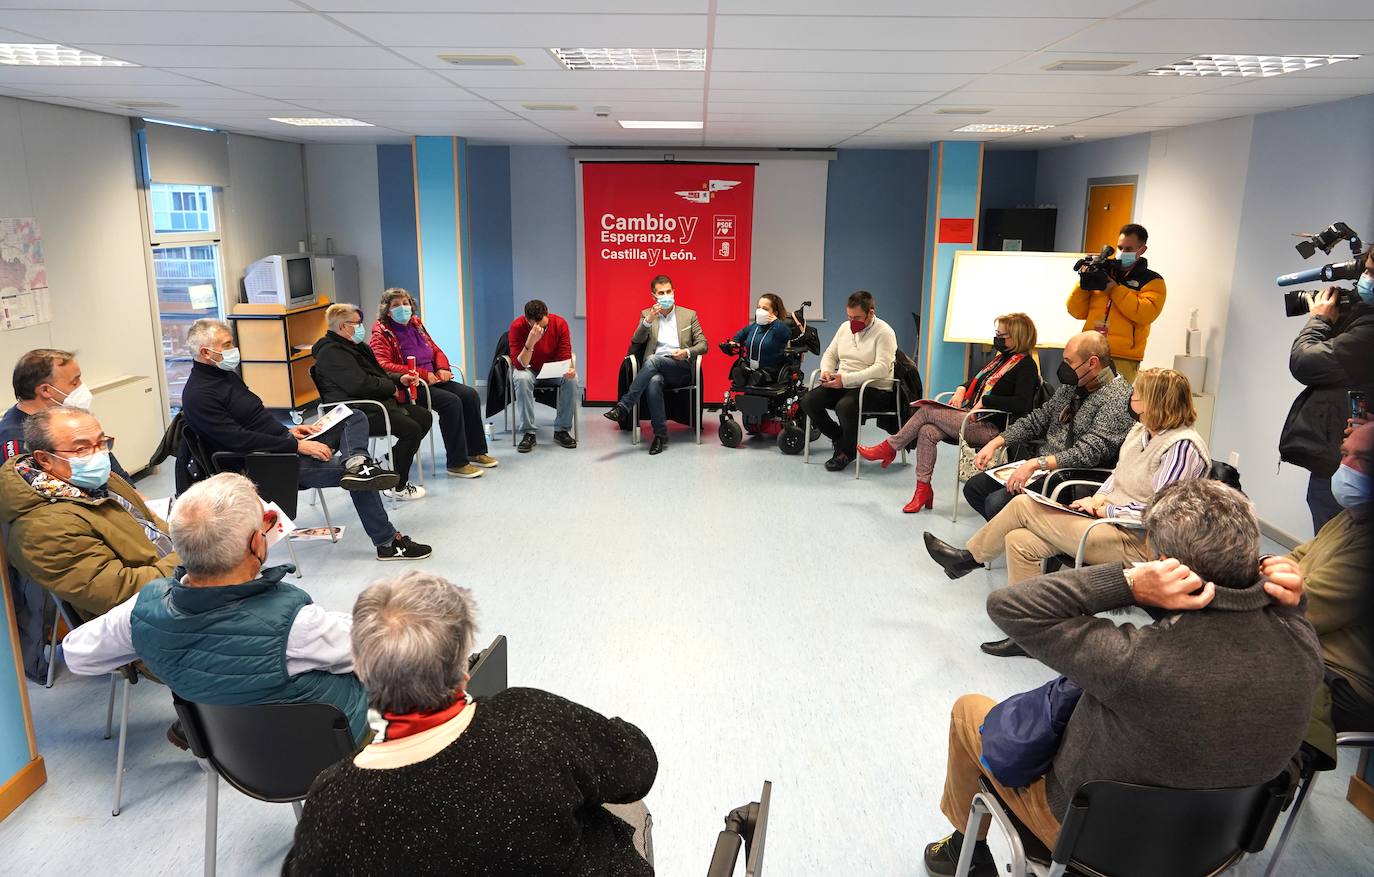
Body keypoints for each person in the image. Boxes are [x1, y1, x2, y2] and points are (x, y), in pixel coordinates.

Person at [921, 479, 1321, 876]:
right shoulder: (1303, 646)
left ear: (1162, 564)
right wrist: (1290, 599)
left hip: (1092, 841)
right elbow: (1287, 618)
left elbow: (1009, 606)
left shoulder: (1136, 661)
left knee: (967, 711)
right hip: (1215, 849)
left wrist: (1128, 582)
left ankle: (963, 852)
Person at [284, 571, 658, 876]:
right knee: (628, 809)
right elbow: (638, 768)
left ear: (363, 671)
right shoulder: (531, 719)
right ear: (462, 666)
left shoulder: (331, 796)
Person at [59, 473, 371, 745]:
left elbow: (77, 654)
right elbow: (383, 650)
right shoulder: (299, 625)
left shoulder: (141, 611)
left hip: (229, 755)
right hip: (323, 750)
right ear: (258, 544)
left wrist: (155, 643)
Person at [926, 368, 1209, 657]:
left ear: (1155, 401)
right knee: (1020, 542)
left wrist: (1107, 507)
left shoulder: (1181, 447)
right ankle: (1029, 636)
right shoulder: (1141, 430)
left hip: (1139, 543)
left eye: (1137, 393)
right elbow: (1117, 476)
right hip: (1107, 523)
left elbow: (1162, 513)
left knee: (1024, 505)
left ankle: (967, 558)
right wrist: (1098, 499)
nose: (1131, 396)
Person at [181, 319, 431, 562]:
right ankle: (387, 542)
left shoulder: (225, 376)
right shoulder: (199, 394)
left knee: (352, 415)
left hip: (280, 443)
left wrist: (289, 430)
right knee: (361, 478)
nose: (233, 349)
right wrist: (295, 445)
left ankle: (357, 460)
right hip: (265, 464)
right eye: (226, 345)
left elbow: (254, 418)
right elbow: (237, 440)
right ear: (206, 352)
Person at [0, 408, 179, 620]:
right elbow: (122, 593)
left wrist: (193, 543)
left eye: (102, 443)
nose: (99, 455)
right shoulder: (43, 529)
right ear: (44, 459)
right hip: (149, 616)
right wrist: (196, 559)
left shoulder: (100, 481)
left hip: (177, 578)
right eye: (82, 449)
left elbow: (154, 524)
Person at [859, 313, 1040, 513]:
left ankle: (890, 447)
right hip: (972, 418)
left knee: (927, 410)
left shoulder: (1026, 366)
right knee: (927, 430)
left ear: (1018, 337)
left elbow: (1022, 404)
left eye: (1001, 335)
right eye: (996, 333)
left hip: (993, 429)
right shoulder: (1000, 361)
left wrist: (986, 401)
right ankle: (923, 489)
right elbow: (975, 383)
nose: (996, 338)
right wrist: (962, 388)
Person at [961, 331, 1132, 522]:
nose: (1063, 368)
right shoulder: (1074, 384)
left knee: (996, 502)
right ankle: (1018, 537)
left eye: (1069, 362)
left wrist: (1036, 464)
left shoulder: (1118, 398)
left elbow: (1088, 453)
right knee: (974, 488)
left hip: (1069, 476)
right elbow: (1038, 419)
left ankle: (1025, 542)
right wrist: (996, 442)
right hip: (1043, 469)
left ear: (1092, 363)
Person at [1280, 244, 1374, 533]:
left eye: (1371, 273)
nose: (1365, 279)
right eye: (1366, 270)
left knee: (1335, 546)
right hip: (1342, 454)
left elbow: (1304, 363)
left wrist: (1319, 320)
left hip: (1353, 463)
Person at [1287, 421, 1374, 732]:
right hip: (1309, 648)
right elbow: (1296, 558)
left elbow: (1305, 607)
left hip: (1344, 679)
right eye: (1344, 455)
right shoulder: (1349, 518)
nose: (1346, 467)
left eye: (1364, 460)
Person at [370, 288, 500, 475]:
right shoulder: (381, 333)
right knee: (451, 402)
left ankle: (475, 451)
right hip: (409, 385)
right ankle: (456, 462)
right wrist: (422, 374)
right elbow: (383, 366)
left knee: (469, 395)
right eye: (396, 305)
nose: (403, 308)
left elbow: (435, 349)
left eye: (405, 303)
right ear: (387, 311)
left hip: (433, 379)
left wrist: (442, 367)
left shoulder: (416, 324)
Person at [313, 303, 433, 499]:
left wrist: (398, 379)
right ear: (343, 326)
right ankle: (397, 486)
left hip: (371, 404)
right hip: (353, 413)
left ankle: (389, 461)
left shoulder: (356, 346)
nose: (361, 327)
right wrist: (391, 387)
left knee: (423, 417)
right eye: (357, 323)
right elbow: (358, 385)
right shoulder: (331, 353)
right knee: (411, 429)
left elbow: (378, 373)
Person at [602, 274, 707, 456]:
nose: (666, 295)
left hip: (680, 368)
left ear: (674, 292)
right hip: (655, 369)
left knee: (652, 360)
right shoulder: (646, 314)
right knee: (653, 381)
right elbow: (636, 340)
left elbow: (703, 344)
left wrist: (686, 352)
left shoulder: (689, 315)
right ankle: (660, 435)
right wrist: (648, 320)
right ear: (654, 296)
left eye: (668, 291)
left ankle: (624, 406)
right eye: (661, 293)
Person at [799, 290, 898, 472]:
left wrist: (845, 380)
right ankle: (839, 437)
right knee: (808, 401)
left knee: (845, 406)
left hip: (875, 387)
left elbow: (882, 368)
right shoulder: (845, 328)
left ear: (871, 313)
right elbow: (830, 354)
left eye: (857, 317)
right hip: (845, 382)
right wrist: (828, 371)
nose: (853, 322)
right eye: (849, 316)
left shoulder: (885, 332)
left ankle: (847, 452)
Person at [0, 348, 133, 480]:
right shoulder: (16, 441)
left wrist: (132, 495)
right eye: (75, 382)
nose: (82, 387)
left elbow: (116, 474)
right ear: (46, 390)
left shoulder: (68, 419)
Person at [1066, 223, 1165, 384]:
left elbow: (1144, 314)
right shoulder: (1103, 271)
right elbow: (1076, 311)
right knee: (1081, 402)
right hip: (1090, 352)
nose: (1122, 253)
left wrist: (1114, 289)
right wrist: (1084, 282)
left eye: (1128, 249)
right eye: (1120, 248)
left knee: (1113, 405)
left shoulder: (1152, 281)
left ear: (1142, 250)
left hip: (1123, 357)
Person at [508, 298, 578, 453]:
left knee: (572, 379)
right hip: (529, 368)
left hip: (552, 368)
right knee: (521, 378)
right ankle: (528, 432)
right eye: (535, 326)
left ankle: (561, 429)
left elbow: (565, 356)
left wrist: (569, 369)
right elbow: (520, 365)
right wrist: (531, 342)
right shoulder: (517, 327)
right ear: (527, 320)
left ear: (548, 314)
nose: (540, 329)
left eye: (543, 326)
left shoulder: (560, 324)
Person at [725, 293, 797, 374]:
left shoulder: (780, 328)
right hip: (751, 368)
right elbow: (740, 335)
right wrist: (734, 342)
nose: (760, 311)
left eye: (765, 309)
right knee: (736, 372)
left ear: (775, 313)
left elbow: (787, 334)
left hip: (771, 371)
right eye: (758, 307)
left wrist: (776, 322)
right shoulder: (754, 326)